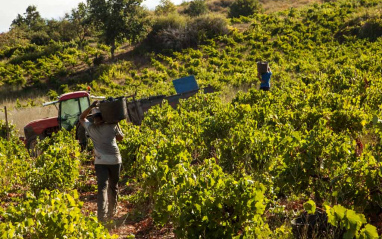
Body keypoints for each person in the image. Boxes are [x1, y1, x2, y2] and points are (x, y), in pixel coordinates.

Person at [79, 101, 124, 222]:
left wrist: (90, 107)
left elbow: (81, 118)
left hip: (101, 162)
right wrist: (116, 124)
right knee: (112, 187)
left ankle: (102, 216)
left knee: (103, 188)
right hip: (115, 161)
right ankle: (110, 213)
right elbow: (120, 138)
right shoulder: (111, 125)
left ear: (94, 118)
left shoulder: (91, 128)